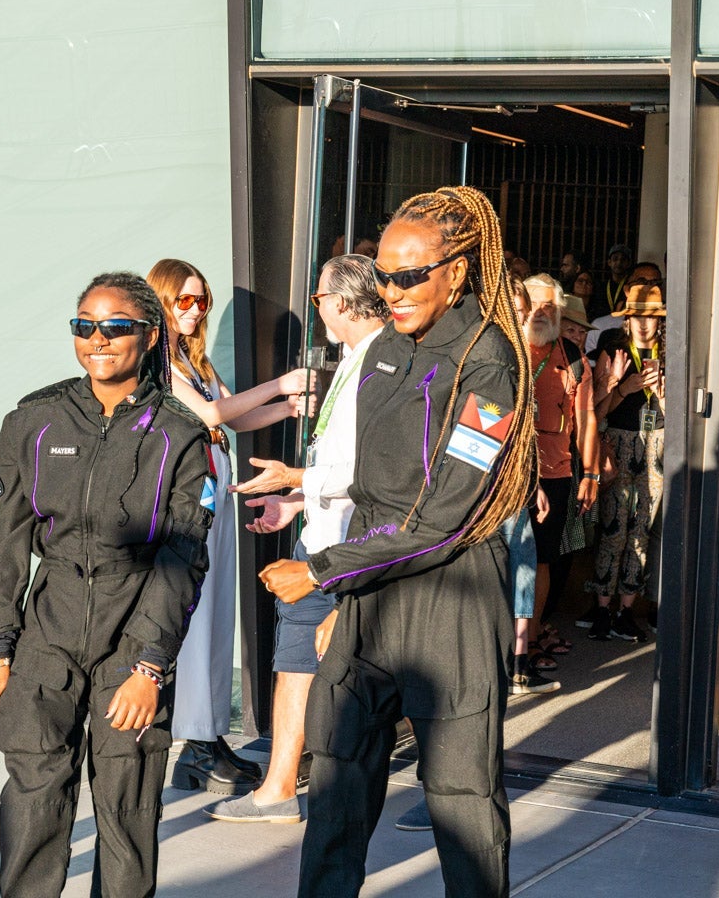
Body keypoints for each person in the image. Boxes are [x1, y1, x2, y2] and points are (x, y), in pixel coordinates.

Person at [259, 184, 536, 898]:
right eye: (384, 275)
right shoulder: (383, 348)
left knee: (462, 799)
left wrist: (324, 571)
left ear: (458, 271)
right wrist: (339, 588)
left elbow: (443, 518)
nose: (393, 291)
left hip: (452, 600)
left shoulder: (489, 361)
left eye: (411, 275)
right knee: (336, 783)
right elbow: (369, 487)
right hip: (370, 598)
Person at [0, 271, 214, 896]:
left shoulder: (181, 434)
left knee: (127, 803)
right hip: (47, 630)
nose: (97, 340)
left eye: (115, 327)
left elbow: (184, 557)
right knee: (33, 798)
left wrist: (149, 666)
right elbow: (7, 542)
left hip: (133, 632)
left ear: (150, 334)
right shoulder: (34, 421)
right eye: (85, 326)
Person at [215, 253, 388, 823]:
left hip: (346, 547)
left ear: (340, 303)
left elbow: (372, 470)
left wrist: (294, 478)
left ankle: (294, 789)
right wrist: (296, 500)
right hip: (325, 534)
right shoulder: (355, 358)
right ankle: (280, 788)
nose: (316, 309)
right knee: (297, 660)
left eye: (318, 298)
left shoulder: (379, 364)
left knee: (328, 665)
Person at [146, 258, 314, 794]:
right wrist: (281, 384)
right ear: (162, 300)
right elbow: (210, 415)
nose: (195, 310)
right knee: (197, 617)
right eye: (185, 300)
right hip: (183, 503)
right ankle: (197, 742)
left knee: (217, 613)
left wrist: (287, 408)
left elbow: (235, 416)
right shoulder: (154, 359)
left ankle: (208, 737)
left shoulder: (189, 359)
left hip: (212, 495)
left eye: (203, 301)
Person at [580, 283, 666, 641]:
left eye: (651, 317)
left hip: (656, 442)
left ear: (660, 321)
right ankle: (602, 607)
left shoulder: (672, 351)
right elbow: (597, 409)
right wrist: (624, 389)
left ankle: (626, 609)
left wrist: (661, 394)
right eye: (637, 316)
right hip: (617, 440)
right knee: (613, 528)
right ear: (627, 319)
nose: (644, 324)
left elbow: (680, 415)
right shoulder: (613, 346)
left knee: (642, 528)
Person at [523, 274, 599, 671]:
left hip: (554, 473)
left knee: (542, 561)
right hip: (507, 474)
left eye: (549, 307)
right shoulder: (505, 348)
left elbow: (586, 419)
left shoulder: (572, 357)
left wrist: (591, 474)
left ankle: (532, 638)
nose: (540, 312)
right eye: (533, 304)